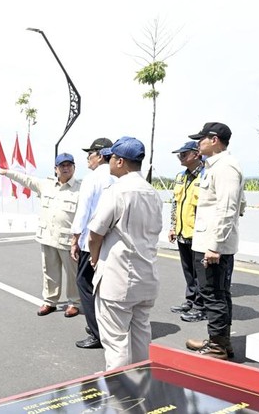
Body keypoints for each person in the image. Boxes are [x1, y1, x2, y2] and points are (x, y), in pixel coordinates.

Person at [87, 137, 163, 370]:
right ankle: (142, 382)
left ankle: (121, 395)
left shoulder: (117, 191)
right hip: (147, 274)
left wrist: (94, 256)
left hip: (118, 277)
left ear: (120, 162)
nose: (108, 162)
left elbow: (95, 234)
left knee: (116, 339)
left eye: (110, 158)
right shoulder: (152, 192)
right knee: (141, 333)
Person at [184, 122, 244, 360]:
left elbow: (228, 208)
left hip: (213, 244)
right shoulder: (216, 166)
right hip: (209, 241)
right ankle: (221, 341)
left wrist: (215, 246)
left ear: (214, 139)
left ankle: (218, 347)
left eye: (201, 139)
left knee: (213, 294)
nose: (198, 143)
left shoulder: (226, 167)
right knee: (217, 293)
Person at [0, 153, 81, 317]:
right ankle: (50, 301)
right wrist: (6, 172)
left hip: (68, 240)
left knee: (73, 274)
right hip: (48, 237)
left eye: (69, 165)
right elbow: (25, 179)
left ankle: (74, 303)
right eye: (62, 165)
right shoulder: (45, 185)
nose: (66, 168)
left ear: (74, 168)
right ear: (56, 169)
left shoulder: (80, 188)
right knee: (49, 272)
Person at [70, 137, 114, 350]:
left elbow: (83, 211)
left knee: (85, 284)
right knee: (105, 286)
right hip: (112, 242)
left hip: (91, 241)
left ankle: (97, 333)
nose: (88, 157)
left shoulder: (93, 178)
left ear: (100, 154)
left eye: (91, 153)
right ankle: (104, 326)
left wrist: (74, 238)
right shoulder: (119, 176)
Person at [168, 140, 205, 322]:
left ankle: (200, 305)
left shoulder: (205, 176)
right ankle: (190, 300)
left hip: (199, 234)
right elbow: (175, 204)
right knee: (188, 270)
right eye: (179, 155)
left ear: (196, 154)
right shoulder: (181, 177)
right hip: (183, 232)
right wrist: (173, 226)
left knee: (200, 272)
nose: (180, 158)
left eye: (183, 154)